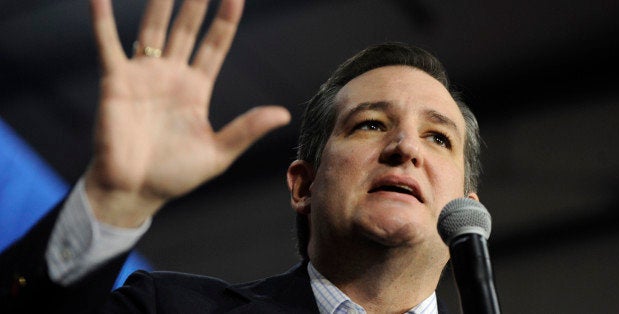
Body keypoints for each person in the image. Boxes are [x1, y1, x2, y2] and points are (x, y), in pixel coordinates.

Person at [0, 0, 483, 313]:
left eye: (438, 138)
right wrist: (113, 201)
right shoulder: (166, 309)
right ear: (303, 185)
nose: (405, 148)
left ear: (470, 210)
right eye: (371, 124)